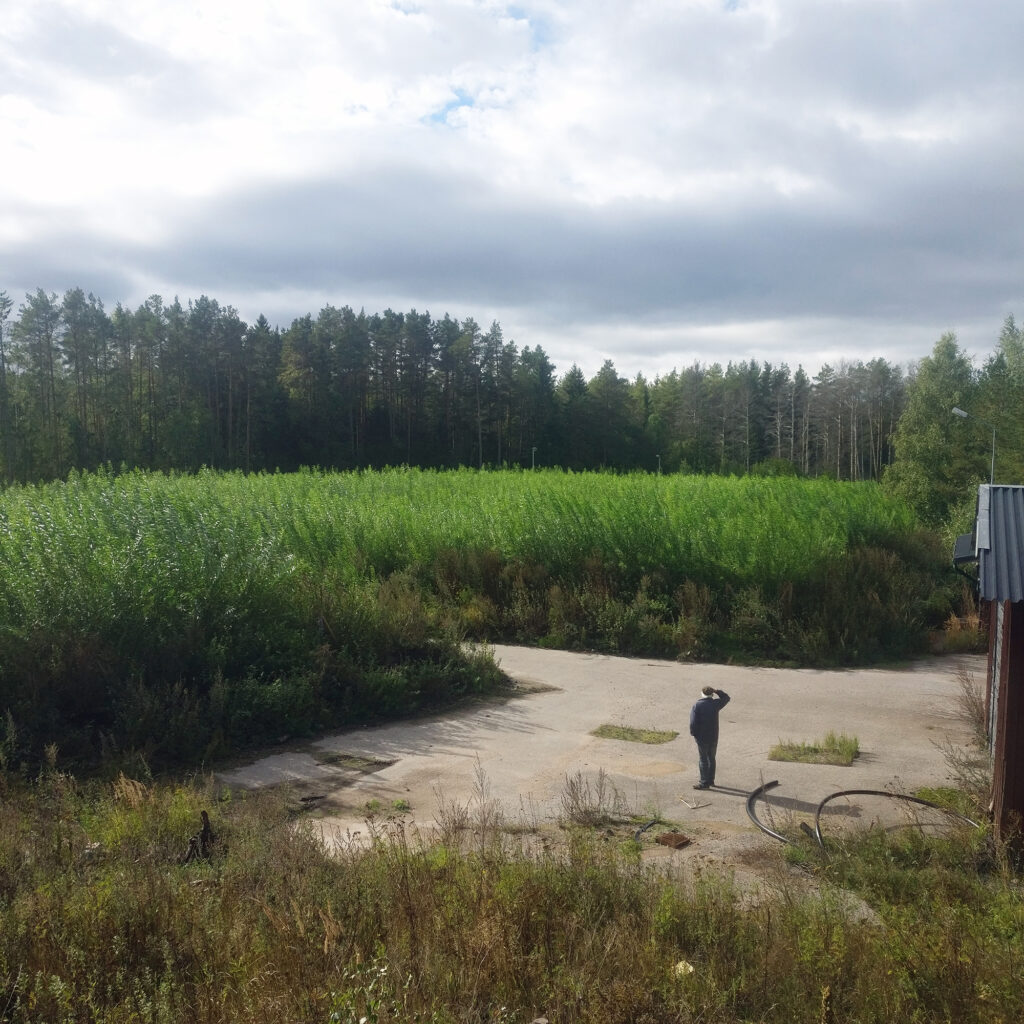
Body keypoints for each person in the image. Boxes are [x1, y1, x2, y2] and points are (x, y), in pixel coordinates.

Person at [689, 685, 730, 789]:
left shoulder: (697, 705)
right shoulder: (716, 704)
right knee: (711, 758)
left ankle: (704, 783)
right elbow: (726, 698)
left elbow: (693, 723)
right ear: (712, 694)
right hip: (714, 737)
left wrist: (694, 734)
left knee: (703, 759)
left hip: (702, 737)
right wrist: (717, 691)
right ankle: (711, 780)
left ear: (702, 694)